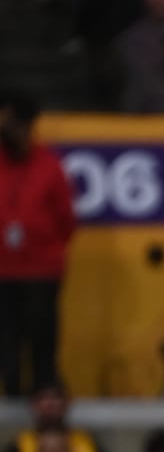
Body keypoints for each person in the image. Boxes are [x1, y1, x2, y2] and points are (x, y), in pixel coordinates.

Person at [0, 95, 76, 400]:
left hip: (42, 272)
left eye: (12, 123)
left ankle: (45, 400)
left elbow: (66, 220)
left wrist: (43, 247)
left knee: (42, 340)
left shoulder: (49, 166)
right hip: (3, 272)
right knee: (7, 342)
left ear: (28, 126)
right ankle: (12, 395)